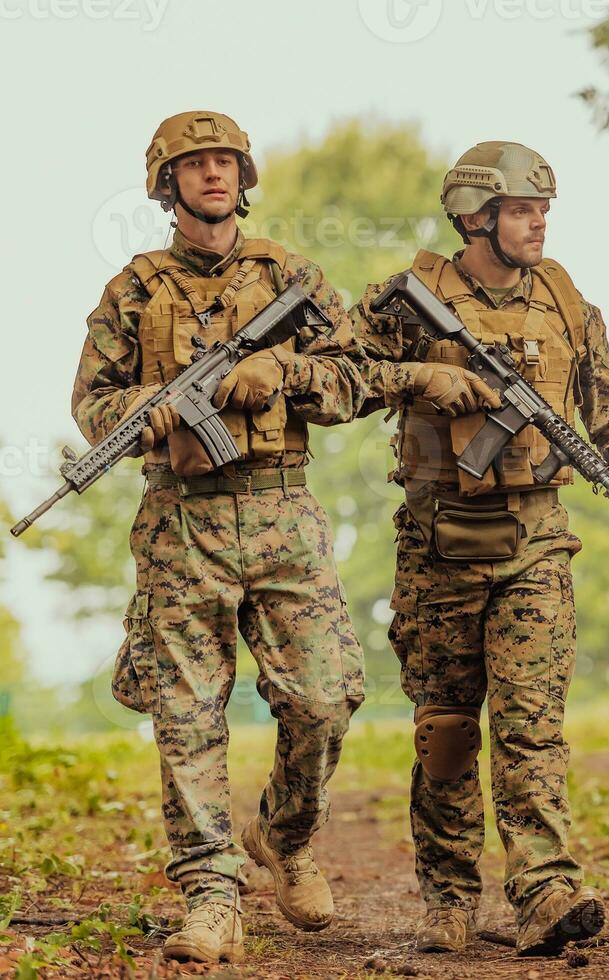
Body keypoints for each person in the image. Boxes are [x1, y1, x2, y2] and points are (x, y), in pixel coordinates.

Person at [350, 141, 609, 956]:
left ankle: (545, 890)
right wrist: (419, 379)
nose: (539, 224)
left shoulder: (565, 301)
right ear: (476, 216)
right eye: (524, 211)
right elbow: (332, 378)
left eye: (543, 211)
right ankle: (449, 901)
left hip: (535, 542)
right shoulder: (411, 300)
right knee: (448, 730)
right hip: (438, 544)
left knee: (533, 726)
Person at [74, 110, 367, 964]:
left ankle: (284, 832)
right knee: (186, 715)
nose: (212, 175)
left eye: (225, 162)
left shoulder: (292, 275)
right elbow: (92, 405)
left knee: (324, 698)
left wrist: (284, 369)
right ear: (167, 183)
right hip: (179, 520)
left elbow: (357, 379)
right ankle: (211, 893)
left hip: (283, 513)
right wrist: (143, 407)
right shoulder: (133, 288)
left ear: (245, 176)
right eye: (194, 164)